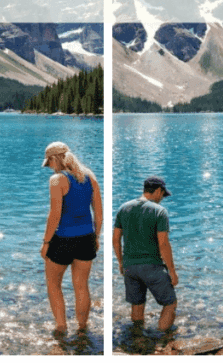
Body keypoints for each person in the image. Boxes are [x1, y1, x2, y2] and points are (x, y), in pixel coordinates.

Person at [40, 142, 103, 335]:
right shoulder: (90, 177)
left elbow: (55, 215)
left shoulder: (57, 180)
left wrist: (46, 242)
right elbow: (99, 214)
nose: (49, 167)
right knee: (82, 285)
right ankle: (82, 328)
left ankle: (61, 327)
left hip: (62, 240)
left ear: (54, 159)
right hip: (86, 238)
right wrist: (96, 237)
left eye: (49, 163)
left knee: (53, 284)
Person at [113, 176, 178, 332]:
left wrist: (121, 263)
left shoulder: (124, 208)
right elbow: (163, 244)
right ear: (157, 191)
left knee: (137, 304)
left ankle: (137, 337)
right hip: (151, 266)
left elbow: (115, 240)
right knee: (170, 304)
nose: (162, 199)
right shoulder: (159, 211)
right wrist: (172, 271)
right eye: (162, 194)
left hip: (130, 267)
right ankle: (163, 340)